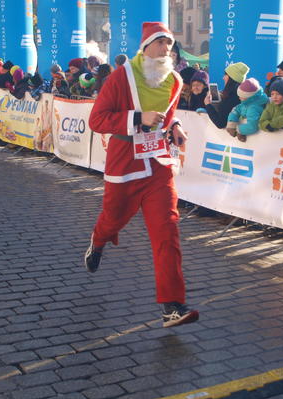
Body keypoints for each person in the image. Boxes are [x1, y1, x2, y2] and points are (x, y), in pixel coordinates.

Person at [85, 21, 198, 327]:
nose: (165, 49)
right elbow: (97, 120)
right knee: (113, 218)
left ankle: (172, 306)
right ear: (146, 46)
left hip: (158, 166)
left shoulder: (174, 80)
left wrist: (174, 127)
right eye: (160, 43)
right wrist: (137, 118)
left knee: (167, 231)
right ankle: (98, 240)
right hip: (125, 165)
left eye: (169, 44)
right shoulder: (121, 77)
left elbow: (167, 117)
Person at [203, 62, 249, 128]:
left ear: (231, 78)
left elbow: (220, 123)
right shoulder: (239, 94)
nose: (223, 78)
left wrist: (208, 105)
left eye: (225, 75)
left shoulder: (233, 97)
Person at [226, 77, 268, 142]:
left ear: (249, 97)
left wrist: (239, 130)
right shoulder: (246, 103)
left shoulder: (253, 108)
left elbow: (253, 126)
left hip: (256, 142)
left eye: (242, 97)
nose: (239, 98)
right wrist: (231, 124)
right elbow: (236, 110)